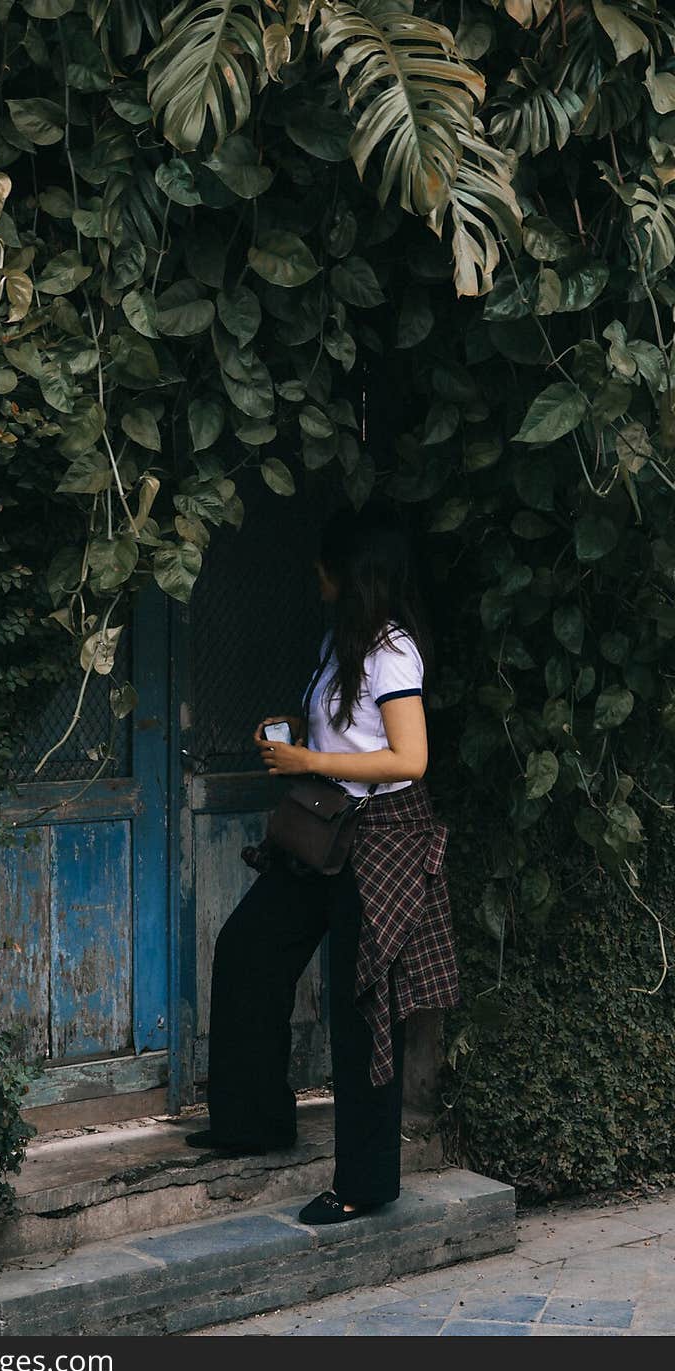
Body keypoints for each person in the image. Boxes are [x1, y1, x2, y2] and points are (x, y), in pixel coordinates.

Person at [185, 503, 459, 1225]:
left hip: (383, 834)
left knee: (363, 1008)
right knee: (249, 948)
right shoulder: (342, 643)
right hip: (324, 826)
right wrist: (298, 733)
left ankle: (364, 1184)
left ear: (352, 573)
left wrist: (307, 758)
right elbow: (353, 729)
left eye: (325, 564)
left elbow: (410, 758)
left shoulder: (392, 650)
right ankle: (251, 1121)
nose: (315, 574)